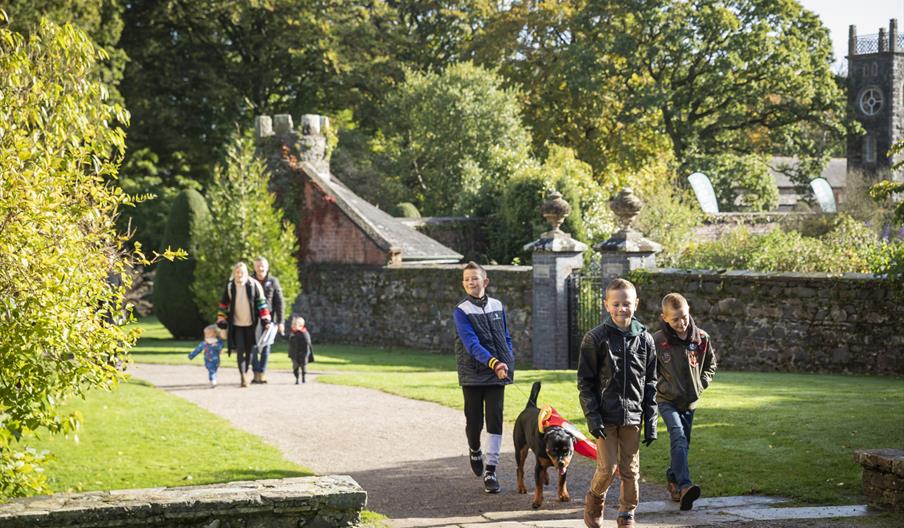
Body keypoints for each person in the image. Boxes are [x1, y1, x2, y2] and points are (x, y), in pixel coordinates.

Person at [578, 278, 657, 528]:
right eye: (616, 304)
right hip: (605, 416)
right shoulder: (595, 339)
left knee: (630, 471)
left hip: (633, 416)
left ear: (636, 304)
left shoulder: (646, 339)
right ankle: (595, 500)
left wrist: (651, 421)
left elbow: (651, 383)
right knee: (607, 468)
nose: (622, 308)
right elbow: (586, 384)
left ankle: (626, 514)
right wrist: (593, 417)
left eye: (627, 303)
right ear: (606, 305)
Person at [452, 261, 514, 494]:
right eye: (467, 279)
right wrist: (493, 362)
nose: (470, 282)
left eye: (475, 278)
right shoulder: (461, 311)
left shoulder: (498, 305)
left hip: (498, 373)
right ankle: (475, 449)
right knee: (474, 421)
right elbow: (471, 344)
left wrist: (508, 359)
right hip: (473, 374)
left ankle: (491, 469)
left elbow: (506, 336)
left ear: (485, 281)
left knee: (495, 419)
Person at [652, 293, 717, 511]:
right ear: (665, 318)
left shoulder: (701, 338)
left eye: (685, 317)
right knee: (678, 437)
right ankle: (685, 486)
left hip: (690, 402)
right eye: (675, 319)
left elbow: (711, 364)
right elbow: (648, 371)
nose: (682, 323)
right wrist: (658, 388)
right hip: (667, 400)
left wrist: (702, 383)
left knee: (683, 445)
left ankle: (672, 477)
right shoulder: (657, 341)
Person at [216, 262, 272, 387]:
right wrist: (221, 319)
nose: (239, 275)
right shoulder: (230, 286)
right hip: (237, 324)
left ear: (246, 273)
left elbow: (262, 304)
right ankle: (243, 376)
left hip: (252, 324)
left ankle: (246, 371)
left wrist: (266, 320)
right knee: (240, 350)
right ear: (234, 273)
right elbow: (223, 304)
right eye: (237, 272)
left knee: (250, 351)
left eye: (241, 272)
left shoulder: (254, 285)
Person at [251, 256, 285, 384]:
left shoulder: (273, 281)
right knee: (252, 346)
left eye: (263, 266)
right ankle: (255, 373)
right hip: (252, 319)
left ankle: (262, 373)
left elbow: (279, 302)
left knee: (266, 346)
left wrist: (281, 322)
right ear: (254, 267)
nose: (260, 268)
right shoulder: (249, 280)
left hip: (269, 319)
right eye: (258, 266)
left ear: (267, 267)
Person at [288, 315, 314, 384]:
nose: (293, 325)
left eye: (295, 324)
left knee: (303, 367)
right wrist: (290, 353)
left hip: (303, 354)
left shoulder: (304, 334)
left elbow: (307, 345)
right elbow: (291, 345)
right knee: (295, 367)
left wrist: (305, 354)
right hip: (294, 354)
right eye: (292, 324)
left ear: (301, 325)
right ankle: (297, 378)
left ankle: (303, 377)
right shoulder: (292, 334)